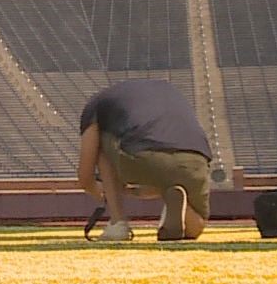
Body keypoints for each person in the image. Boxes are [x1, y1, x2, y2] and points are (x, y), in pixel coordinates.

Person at [77, 78, 212, 242]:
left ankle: (118, 224)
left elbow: (85, 176)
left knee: (100, 140)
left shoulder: (97, 103)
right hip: (196, 160)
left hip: (144, 156)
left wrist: (101, 193)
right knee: (197, 223)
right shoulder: (170, 93)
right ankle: (178, 212)